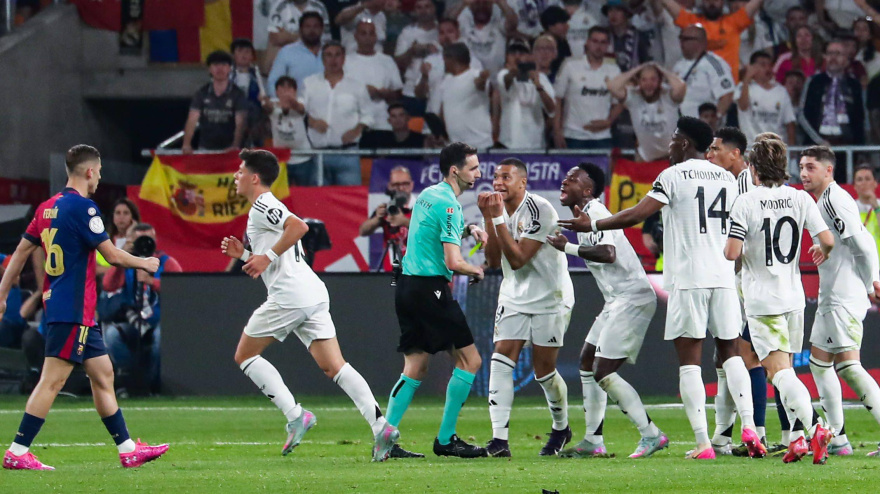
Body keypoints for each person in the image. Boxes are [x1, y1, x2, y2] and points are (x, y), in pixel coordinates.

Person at [558, 117, 762, 460]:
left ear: (683, 143)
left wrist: (592, 223)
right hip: (724, 277)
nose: (668, 146)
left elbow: (636, 215)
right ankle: (750, 428)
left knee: (690, 364)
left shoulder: (673, 176)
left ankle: (703, 444)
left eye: (672, 140)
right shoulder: (728, 179)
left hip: (688, 279)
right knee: (732, 354)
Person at [220, 149, 399, 462]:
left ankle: (295, 415)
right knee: (335, 367)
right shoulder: (264, 209)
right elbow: (280, 252)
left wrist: (264, 257)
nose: (235, 176)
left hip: (291, 295)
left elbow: (299, 227)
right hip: (311, 291)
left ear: (254, 177)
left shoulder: (263, 203)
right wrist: (247, 256)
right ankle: (381, 426)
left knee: (245, 354)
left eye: (239, 171)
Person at [1, 145, 168, 471]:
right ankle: (18, 450)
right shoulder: (84, 209)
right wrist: (145, 261)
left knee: (103, 375)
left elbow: (20, 252)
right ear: (90, 171)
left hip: (73, 309)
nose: (100, 177)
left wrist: (3, 292)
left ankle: (127, 448)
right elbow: (114, 255)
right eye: (100, 171)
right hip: (73, 310)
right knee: (52, 381)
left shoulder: (47, 208)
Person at [723, 139, 835, 464]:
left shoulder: (746, 201)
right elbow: (826, 240)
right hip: (794, 300)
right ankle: (797, 440)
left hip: (762, 301)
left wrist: (740, 250)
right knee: (788, 372)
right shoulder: (799, 198)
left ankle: (815, 428)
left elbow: (731, 252)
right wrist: (821, 251)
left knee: (779, 373)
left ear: (753, 170)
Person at [548, 163, 668, 459]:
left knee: (602, 370)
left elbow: (608, 253)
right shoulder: (586, 215)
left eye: (573, 178)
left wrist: (568, 248)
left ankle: (651, 434)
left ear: (587, 190)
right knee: (587, 361)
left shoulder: (598, 214)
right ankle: (592, 441)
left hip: (633, 297)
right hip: (617, 298)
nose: (565, 180)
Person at [384, 142, 490, 459]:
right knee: (470, 361)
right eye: (473, 167)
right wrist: (477, 269)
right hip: (431, 289)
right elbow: (453, 260)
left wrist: (471, 228)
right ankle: (446, 440)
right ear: (455, 170)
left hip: (406, 286)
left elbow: (434, 233)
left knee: (415, 366)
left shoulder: (429, 195)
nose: (479, 173)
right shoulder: (449, 205)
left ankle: (384, 441)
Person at [477, 158, 575, 457]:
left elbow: (519, 259)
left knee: (543, 371)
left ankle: (561, 428)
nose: (498, 183)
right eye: (496, 177)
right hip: (514, 295)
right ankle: (499, 440)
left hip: (549, 297)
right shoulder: (498, 210)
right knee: (500, 358)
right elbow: (494, 261)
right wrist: (487, 218)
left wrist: (496, 220)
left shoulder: (541, 210)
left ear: (523, 182)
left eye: (506, 177)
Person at [705, 127, 786, 455]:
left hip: (747, 283)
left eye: (716, 149)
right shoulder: (782, 191)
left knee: (746, 355)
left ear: (736, 155)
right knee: (732, 357)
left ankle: (764, 431)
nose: (710, 155)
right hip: (776, 281)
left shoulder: (741, 184)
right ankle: (726, 434)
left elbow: (738, 238)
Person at [798, 147, 880, 458]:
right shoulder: (821, 201)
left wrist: (873, 280)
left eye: (811, 167)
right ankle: (838, 438)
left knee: (848, 366)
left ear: (828, 171)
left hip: (845, 295)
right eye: (802, 167)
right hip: (830, 295)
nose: (804, 173)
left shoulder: (834, 200)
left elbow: (862, 241)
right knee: (819, 364)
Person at [101, 224, 182, 395]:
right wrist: (120, 255)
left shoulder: (167, 262)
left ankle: (152, 385)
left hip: (161, 320)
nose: (144, 243)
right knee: (112, 335)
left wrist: (152, 282)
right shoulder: (127, 262)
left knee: (161, 337)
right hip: (133, 320)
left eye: (148, 239)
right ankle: (132, 378)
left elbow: (180, 289)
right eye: (139, 239)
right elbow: (108, 285)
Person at [303, 41, 373, 185]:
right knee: (319, 202)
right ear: (323, 59)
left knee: (350, 201)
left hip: (348, 154)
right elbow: (300, 112)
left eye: (337, 55)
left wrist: (356, 130)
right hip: (318, 153)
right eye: (328, 55)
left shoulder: (357, 86)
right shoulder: (309, 84)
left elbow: (369, 115)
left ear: (343, 58)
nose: (333, 59)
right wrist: (313, 122)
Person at [799, 39, 866, 182]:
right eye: (830, 53)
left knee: (843, 189)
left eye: (838, 53)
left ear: (846, 59)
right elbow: (802, 115)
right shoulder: (813, 82)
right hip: (817, 148)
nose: (833, 57)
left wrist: (860, 150)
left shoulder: (854, 85)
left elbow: (860, 119)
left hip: (846, 149)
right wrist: (818, 141)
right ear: (824, 57)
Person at [656, 0, 765, 81]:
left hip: (728, 89)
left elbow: (755, 3)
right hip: (700, 91)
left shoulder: (734, 22)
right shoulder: (692, 22)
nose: (712, 3)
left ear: (723, 2)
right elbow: (668, 3)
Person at [553, 26, 623, 149]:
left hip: (602, 136)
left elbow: (622, 101)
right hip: (573, 134)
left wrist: (609, 121)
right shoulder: (570, 65)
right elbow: (558, 99)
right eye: (595, 41)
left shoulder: (614, 70)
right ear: (587, 42)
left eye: (603, 42)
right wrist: (557, 131)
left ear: (608, 45)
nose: (598, 46)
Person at [606, 62, 686, 161]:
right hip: (645, 159)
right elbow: (612, 86)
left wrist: (661, 69)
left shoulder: (668, 96)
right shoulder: (633, 97)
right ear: (639, 82)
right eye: (644, 79)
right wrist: (637, 69)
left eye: (653, 79)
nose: (649, 84)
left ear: (660, 81)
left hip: (672, 158)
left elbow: (681, 86)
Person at [182, 51, 248, 153]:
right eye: (216, 65)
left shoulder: (238, 94)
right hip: (205, 149)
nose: (220, 68)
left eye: (224, 65)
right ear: (209, 69)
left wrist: (235, 146)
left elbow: (240, 123)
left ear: (230, 68)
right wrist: (186, 144)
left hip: (230, 151)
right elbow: (192, 119)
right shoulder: (201, 93)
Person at [344, 20, 404, 132]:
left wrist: (386, 93)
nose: (367, 38)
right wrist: (363, 92)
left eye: (371, 33)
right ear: (356, 36)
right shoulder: (346, 61)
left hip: (382, 119)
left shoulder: (387, 61)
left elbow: (398, 92)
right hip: (354, 119)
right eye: (363, 33)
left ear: (376, 37)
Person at [495, 40, 556, 149]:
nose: (517, 57)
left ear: (530, 56)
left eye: (522, 53)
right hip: (510, 143)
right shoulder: (503, 74)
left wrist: (538, 86)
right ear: (507, 57)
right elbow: (506, 80)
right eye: (513, 53)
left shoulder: (541, 78)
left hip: (535, 143)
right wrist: (515, 71)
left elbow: (552, 110)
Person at [416, 19, 484, 116]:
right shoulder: (430, 60)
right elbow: (419, 95)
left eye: (450, 32)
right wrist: (424, 77)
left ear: (458, 33)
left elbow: (479, 91)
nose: (446, 36)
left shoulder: (472, 61)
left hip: (461, 117)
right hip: (434, 117)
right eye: (442, 33)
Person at [359, 165, 415, 272]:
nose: (401, 188)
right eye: (396, 185)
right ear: (389, 186)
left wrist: (404, 221)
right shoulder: (388, 208)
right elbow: (363, 231)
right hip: (391, 270)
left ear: (411, 185)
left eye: (405, 184)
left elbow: (433, 232)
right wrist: (377, 219)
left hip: (416, 269)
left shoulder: (421, 207)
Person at [672, 25, 735, 119]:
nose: (681, 42)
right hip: (681, 126)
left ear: (700, 42)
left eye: (686, 39)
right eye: (681, 38)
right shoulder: (678, 65)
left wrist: (716, 119)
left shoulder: (714, 63)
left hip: (702, 127)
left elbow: (727, 94)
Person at [438, 42, 493, 149]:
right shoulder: (446, 81)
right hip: (454, 147)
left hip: (478, 145)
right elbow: (443, 111)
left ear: (452, 59)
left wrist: (482, 79)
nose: (443, 62)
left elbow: (482, 85)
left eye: (444, 58)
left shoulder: (475, 75)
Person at [263, 76, 315, 186]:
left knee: (305, 194)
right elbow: (268, 108)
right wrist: (264, 101)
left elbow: (300, 109)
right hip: (282, 160)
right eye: (282, 87)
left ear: (295, 91)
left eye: (289, 88)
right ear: (276, 91)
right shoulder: (272, 104)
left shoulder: (301, 102)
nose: (286, 91)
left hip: (303, 159)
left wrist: (290, 102)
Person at [736, 51, 797, 144]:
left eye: (769, 65)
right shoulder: (743, 87)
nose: (767, 68)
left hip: (775, 149)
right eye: (763, 65)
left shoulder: (781, 91)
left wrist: (792, 152)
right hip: (751, 148)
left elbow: (789, 122)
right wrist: (747, 78)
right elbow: (743, 106)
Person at [395, 0, 440, 116]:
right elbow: (399, 63)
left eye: (427, 6)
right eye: (419, 7)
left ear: (434, 8)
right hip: (412, 92)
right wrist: (412, 50)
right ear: (415, 11)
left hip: (438, 91)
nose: (424, 11)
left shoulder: (443, 31)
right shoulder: (407, 32)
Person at [450, 0, 518, 75]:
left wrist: (501, 2)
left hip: (497, 83)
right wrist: (463, 3)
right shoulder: (464, 26)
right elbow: (448, 22)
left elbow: (513, 23)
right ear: (471, 7)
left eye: (485, 3)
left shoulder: (499, 25)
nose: (481, 7)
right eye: (477, 3)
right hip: (471, 83)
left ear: (491, 6)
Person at [268, 12, 326, 97]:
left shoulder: (331, 52)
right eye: (307, 27)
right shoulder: (287, 52)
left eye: (316, 26)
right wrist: (281, 105)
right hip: (295, 106)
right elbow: (273, 83)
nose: (312, 30)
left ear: (322, 29)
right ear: (300, 30)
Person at [230, 38, 268, 146]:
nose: (244, 55)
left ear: (252, 56)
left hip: (253, 117)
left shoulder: (256, 74)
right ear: (233, 55)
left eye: (247, 52)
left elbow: (263, 95)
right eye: (240, 51)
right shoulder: (227, 74)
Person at [603, 0, 652, 72]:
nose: (613, 14)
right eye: (610, 10)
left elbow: (645, 64)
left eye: (618, 10)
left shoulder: (639, 37)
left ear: (626, 14)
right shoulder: (602, 36)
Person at [267, 0, 332, 50]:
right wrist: (309, 37)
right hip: (287, 55)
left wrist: (290, 37)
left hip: (314, 55)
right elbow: (275, 39)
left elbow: (325, 39)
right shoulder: (279, 6)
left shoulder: (319, 7)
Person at [360, 104, 426, 150]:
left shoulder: (420, 140)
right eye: (393, 116)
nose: (398, 119)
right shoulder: (383, 141)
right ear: (389, 121)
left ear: (408, 118)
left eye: (401, 115)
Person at [853, 165, 880, 261]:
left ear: (875, 183)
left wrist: (877, 209)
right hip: (858, 266)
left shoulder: (879, 206)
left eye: (867, 179)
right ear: (855, 186)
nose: (864, 183)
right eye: (860, 180)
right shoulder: (850, 209)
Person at [540, 6, 573, 79]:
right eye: (562, 23)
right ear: (551, 26)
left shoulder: (563, 43)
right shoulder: (537, 44)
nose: (567, 26)